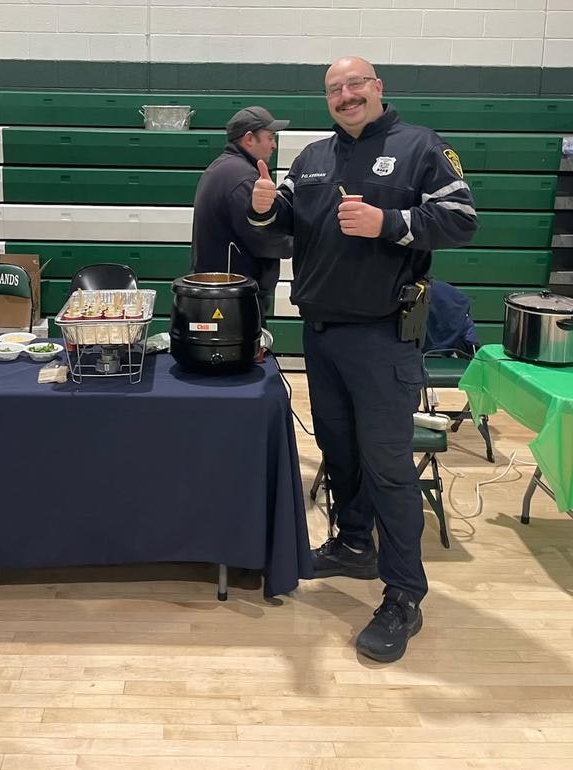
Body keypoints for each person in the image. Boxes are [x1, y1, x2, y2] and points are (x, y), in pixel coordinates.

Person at [249, 57, 478, 662]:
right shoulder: (312, 159)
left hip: (383, 339)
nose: (345, 95)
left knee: (389, 469)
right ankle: (354, 545)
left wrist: (390, 222)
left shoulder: (421, 147)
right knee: (340, 453)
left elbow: (461, 219)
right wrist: (267, 203)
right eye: (334, 89)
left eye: (355, 85)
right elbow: (285, 229)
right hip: (322, 337)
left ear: (377, 89)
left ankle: (404, 593)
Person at [190, 106, 293, 320]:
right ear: (249, 139)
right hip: (234, 298)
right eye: (270, 137)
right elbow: (264, 238)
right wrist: (309, 242)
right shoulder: (243, 178)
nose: (274, 144)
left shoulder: (223, 167)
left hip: (219, 292)